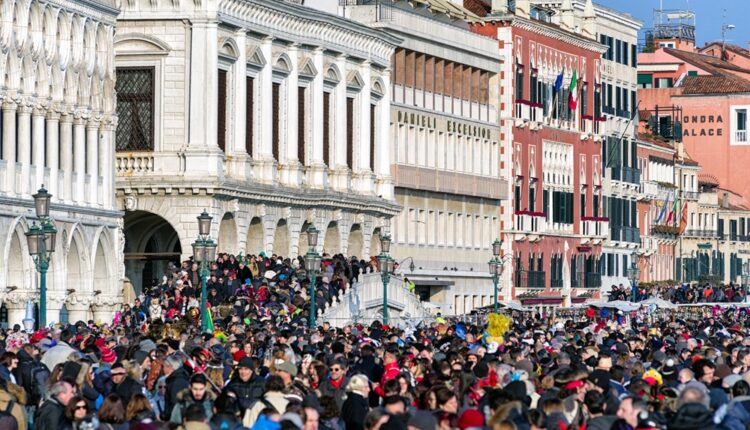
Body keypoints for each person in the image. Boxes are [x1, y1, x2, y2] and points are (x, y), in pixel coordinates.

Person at [164, 353, 191, 421]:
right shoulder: (179, 377)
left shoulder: (176, 382)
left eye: (164, 366)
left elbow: (175, 404)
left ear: (170, 367)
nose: (163, 369)